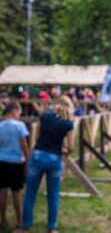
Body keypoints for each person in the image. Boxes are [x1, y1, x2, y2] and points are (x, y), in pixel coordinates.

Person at [21, 96, 74, 233]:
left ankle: (26, 226)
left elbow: (37, 137)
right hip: (55, 158)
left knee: (30, 193)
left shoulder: (44, 115)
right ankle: (52, 227)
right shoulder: (68, 123)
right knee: (53, 195)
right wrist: (63, 151)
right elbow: (71, 147)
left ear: (57, 104)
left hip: (38, 155)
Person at [0, 101, 29, 229]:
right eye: (19, 112)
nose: (19, 115)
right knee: (16, 192)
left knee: (2, 191)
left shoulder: (0, 126)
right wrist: (27, 161)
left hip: (1, 161)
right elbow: (24, 145)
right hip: (16, 162)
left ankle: (3, 219)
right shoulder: (20, 126)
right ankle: (19, 220)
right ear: (14, 111)